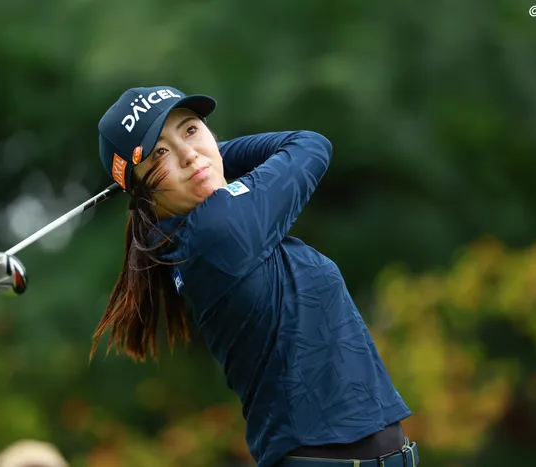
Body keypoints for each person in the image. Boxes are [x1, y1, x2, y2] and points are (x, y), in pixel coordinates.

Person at [92, 85, 419, 467]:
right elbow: (309, 145)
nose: (187, 154)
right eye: (160, 153)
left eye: (191, 130)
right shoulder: (218, 229)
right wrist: (211, 155)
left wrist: (204, 158)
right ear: (143, 192)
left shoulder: (188, 236)